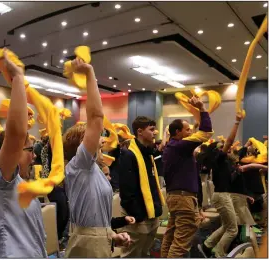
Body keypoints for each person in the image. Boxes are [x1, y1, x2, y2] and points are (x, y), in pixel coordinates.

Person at [0, 50, 47, 258]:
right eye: (29, 150)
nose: (33, 157)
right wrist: (17, 79)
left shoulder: (19, 184)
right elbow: (16, 134)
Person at [63, 58, 131, 258]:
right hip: (87, 246)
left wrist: (112, 236)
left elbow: (95, 216)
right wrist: (90, 73)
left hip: (98, 241)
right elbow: (95, 119)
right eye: (97, 137)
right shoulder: (79, 165)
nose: (102, 140)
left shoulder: (93, 170)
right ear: (82, 144)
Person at [161, 96, 213, 258]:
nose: (191, 132)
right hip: (182, 199)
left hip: (177, 197)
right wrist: (202, 108)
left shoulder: (174, 147)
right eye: (188, 130)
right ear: (178, 133)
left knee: (171, 236)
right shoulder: (180, 146)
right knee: (181, 241)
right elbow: (206, 133)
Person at [198, 112, 244, 258]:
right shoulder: (218, 158)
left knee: (227, 226)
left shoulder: (224, 161)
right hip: (221, 196)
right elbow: (230, 141)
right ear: (216, 151)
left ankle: (207, 245)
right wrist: (236, 122)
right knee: (233, 230)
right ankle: (218, 252)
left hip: (223, 195)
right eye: (222, 146)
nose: (226, 147)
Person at [118, 116, 163, 258]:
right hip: (138, 217)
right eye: (151, 129)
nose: (155, 132)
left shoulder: (148, 152)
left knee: (145, 253)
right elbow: (127, 191)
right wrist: (138, 215)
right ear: (140, 131)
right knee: (131, 255)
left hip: (152, 214)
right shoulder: (128, 154)